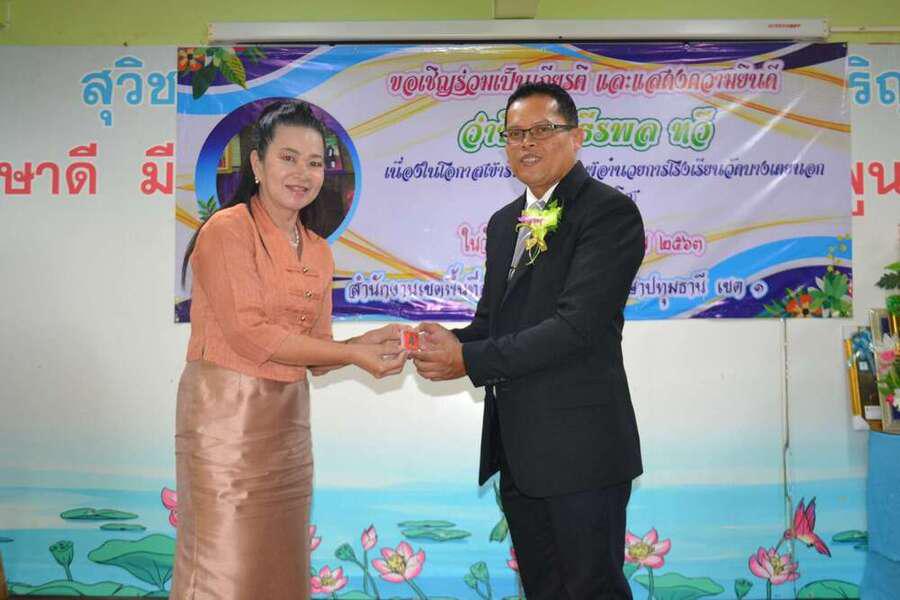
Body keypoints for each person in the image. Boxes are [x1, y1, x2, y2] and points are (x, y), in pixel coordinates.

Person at [412, 82, 645, 599]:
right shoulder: (503, 224)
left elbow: (575, 328)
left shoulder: (609, 212)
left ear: (576, 137)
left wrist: (467, 359)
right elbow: (493, 324)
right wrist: (436, 343)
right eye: (515, 133)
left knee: (592, 590)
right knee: (542, 590)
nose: (526, 143)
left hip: (583, 452)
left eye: (542, 129)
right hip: (520, 453)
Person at [171, 99, 406, 600]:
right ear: (257, 164)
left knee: (281, 561)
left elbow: (316, 355)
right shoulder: (227, 229)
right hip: (226, 420)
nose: (303, 173)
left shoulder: (318, 248)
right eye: (288, 158)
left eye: (315, 162)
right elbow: (249, 336)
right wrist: (353, 355)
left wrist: (360, 344)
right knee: (222, 563)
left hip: (288, 422)